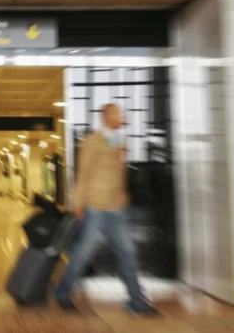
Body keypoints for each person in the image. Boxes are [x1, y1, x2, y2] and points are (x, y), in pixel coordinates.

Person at [54, 103, 159, 316]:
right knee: (84, 252)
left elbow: (119, 173)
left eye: (122, 113)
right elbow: (83, 173)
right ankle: (63, 293)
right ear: (106, 117)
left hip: (115, 208)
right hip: (95, 206)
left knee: (127, 253)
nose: (121, 116)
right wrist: (77, 202)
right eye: (117, 113)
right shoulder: (93, 141)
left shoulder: (120, 141)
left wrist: (120, 162)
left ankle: (136, 301)